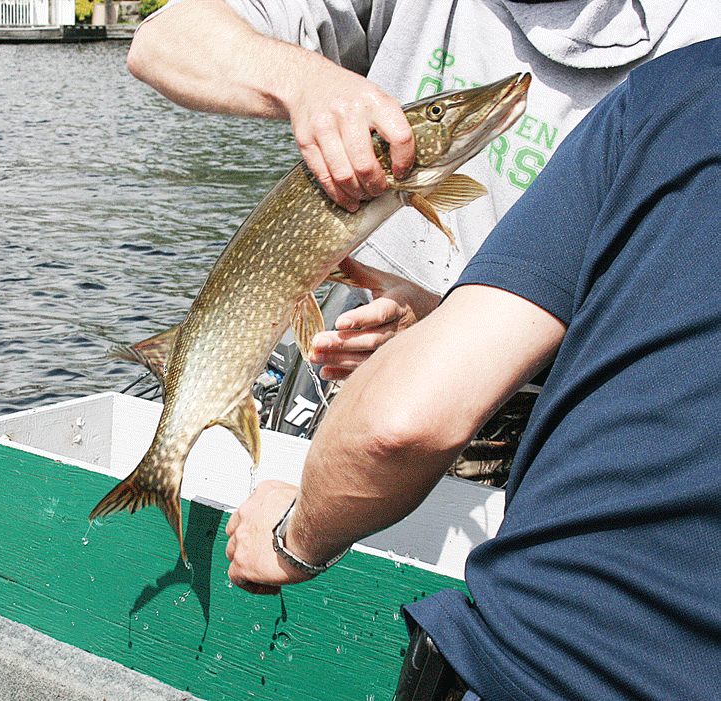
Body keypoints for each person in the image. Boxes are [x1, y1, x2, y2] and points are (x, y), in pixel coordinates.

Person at [225, 37, 721, 700]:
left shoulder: (676, 93)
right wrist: (306, 81)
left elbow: (400, 423)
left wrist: (293, 537)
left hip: (531, 664)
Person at [127, 0, 721, 380]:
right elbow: (164, 41)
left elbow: (669, 330)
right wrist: (303, 79)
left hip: (530, 410)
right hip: (338, 368)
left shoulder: (699, 49)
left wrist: (439, 325)